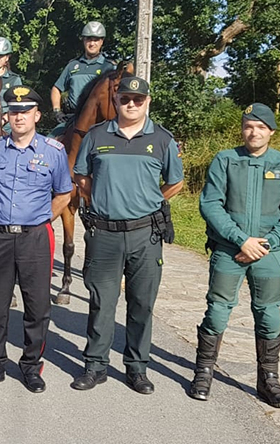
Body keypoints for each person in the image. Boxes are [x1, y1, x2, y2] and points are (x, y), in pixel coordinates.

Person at [71, 75, 184, 394]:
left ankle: (137, 368)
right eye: (125, 99)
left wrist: (149, 201)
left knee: (141, 304)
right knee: (101, 302)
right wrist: (104, 199)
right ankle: (95, 366)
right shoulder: (96, 136)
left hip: (145, 235)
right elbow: (81, 177)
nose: (131, 104)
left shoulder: (161, 139)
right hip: (104, 233)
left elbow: (175, 181)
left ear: (147, 102)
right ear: (116, 101)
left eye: (138, 99)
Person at [188, 103, 280, 407]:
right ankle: (203, 372)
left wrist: (265, 244)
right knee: (217, 310)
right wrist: (241, 240)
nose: (254, 132)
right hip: (229, 250)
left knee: (270, 315)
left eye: (261, 127)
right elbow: (211, 204)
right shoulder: (226, 160)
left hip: (269, 253)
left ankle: (268, 380)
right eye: (249, 126)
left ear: (272, 132)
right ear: (242, 129)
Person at [0, 86, 72, 393]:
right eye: (13, 112)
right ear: (7, 116)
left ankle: (31, 366)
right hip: (0, 236)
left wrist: (40, 218)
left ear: (37, 116)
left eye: (25, 112)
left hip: (35, 238)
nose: (18, 117)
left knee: (37, 306)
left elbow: (64, 194)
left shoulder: (53, 152)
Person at [50, 21, 116, 136]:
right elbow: (56, 88)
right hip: (73, 118)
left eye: (96, 40)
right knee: (50, 141)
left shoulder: (109, 66)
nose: (92, 43)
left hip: (99, 121)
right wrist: (57, 110)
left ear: (101, 42)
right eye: (89, 39)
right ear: (83, 40)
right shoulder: (72, 65)